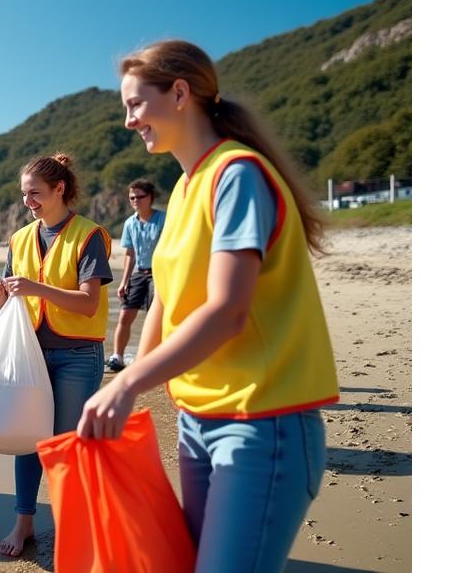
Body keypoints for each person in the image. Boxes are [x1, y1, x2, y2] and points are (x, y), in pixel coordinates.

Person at [78, 39, 338, 572]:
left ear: (179, 93)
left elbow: (227, 311)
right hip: (198, 420)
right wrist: (120, 395)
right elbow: (164, 308)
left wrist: (126, 383)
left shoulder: (236, 174)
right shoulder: (186, 187)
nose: (128, 120)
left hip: (262, 421)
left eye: (134, 104)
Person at [0, 153, 112, 557]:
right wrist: (0, 296)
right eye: (24, 195)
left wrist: (36, 289)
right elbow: (15, 302)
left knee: (64, 446)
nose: (28, 202)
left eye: (35, 194)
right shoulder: (20, 239)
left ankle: (74, 525)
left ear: (60, 189)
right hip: (31, 356)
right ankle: (24, 524)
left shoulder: (89, 235)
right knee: (27, 441)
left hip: (77, 356)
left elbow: (88, 304)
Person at [108, 178, 166, 371]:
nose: (136, 201)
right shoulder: (129, 223)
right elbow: (129, 254)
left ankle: (154, 356)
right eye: (132, 197)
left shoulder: (163, 219)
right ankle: (118, 356)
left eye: (140, 197)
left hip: (159, 273)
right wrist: (123, 282)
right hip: (139, 273)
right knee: (125, 315)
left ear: (150, 198)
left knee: (155, 317)